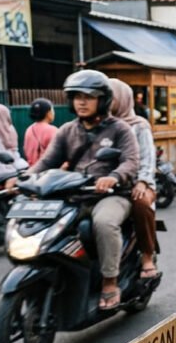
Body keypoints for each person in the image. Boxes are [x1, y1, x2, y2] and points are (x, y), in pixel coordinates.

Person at [30, 70, 140, 309]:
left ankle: (110, 281)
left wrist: (113, 177)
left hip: (111, 196)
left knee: (104, 223)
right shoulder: (67, 130)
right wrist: (25, 178)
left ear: (103, 99)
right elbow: (47, 162)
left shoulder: (120, 129)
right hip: (74, 195)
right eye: (77, 96)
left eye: (88, 97)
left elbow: (131, 161)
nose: (81, 102)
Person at [108, 78, 160, 280]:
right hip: (109, 184)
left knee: (140, 202)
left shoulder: (139, 126)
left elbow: (148, 159)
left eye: (110, 97)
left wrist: (142, 181)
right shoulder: (101, 125)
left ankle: (147, 255)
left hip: (138, 182)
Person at [24, 98, 57, 167]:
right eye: (53, 110)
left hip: (32, 169)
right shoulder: (52, 130)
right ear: (48, 113)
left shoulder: (29, 129)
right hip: (47, 170)